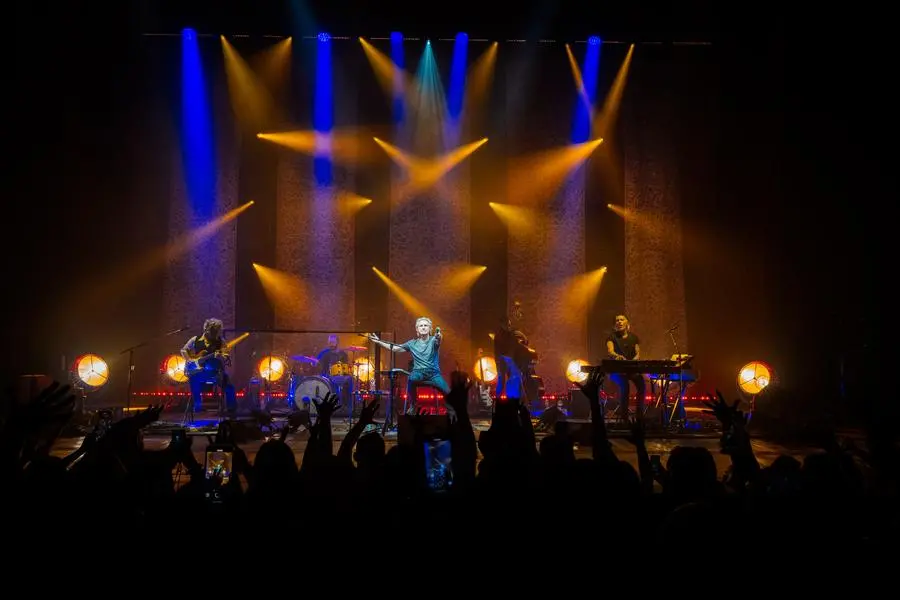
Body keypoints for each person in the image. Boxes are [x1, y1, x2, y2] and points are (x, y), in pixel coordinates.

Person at [367, 317, 451, 417]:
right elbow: (395, 348)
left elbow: (439, 339)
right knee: (412, 378)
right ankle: (414, 405)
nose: (423, 327)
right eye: (421, 325)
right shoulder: (412, 343)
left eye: (426, 325)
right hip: (418, 373)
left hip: (434, 374)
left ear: (430, 329)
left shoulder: (433, 340)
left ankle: (451, 412)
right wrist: (378, 342)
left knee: (449, 393)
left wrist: (439, 336)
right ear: (417, 329)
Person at [181, 318, 236, 415]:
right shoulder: (195, 339)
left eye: (217, 332)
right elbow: (184, 350)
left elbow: (226, 357)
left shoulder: (221, 341)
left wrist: (222, 357)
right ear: (206, 329)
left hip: (216, 373)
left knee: (229, 386)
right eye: (213, 331)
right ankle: (198, 405)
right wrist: (189, 360)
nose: (215, 334)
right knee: (193, 379)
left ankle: (231, 409)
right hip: (199, 372)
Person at [606, 314, 646, 417]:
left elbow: (638, 353)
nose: (619, 322)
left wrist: (634, 360)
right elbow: (610, 351)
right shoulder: (612, 337)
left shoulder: (633, 337)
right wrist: (617, 356)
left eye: (621, 320)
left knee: (641, 384)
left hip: (630, 369)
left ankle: (639, 413)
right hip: (616, 370)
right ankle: (624, 416)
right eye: (617, 320)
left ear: (627, 322)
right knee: (625, 385)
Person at [317, 334, 352, 413]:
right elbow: (316, 363)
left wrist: (345, 374)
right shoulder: (324, 353)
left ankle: (346, 405)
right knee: (334, 381)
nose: (331, 343)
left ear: (337, 342)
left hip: (340, 375)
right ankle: (332, 404)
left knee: (349, 379)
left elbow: (345, 366)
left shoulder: (342, 353)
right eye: (329, 342)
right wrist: (314, 362)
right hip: (326, 375)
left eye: (333, 342)